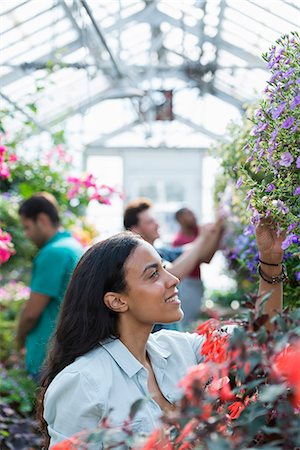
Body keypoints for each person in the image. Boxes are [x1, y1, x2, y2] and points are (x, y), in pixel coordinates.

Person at [39, 221, 285, 448]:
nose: (174, 279)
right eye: (153, 274)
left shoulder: (179, 349)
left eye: (164, 268)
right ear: (117, 301)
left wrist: (270, 260)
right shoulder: (83, 382)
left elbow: (257, 341)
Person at [123, 198, 224, 331]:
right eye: (150, 222)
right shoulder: (135, 260)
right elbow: (174, 272)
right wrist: (202, 237)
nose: (157, 224)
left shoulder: (162, 252)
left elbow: (199, 252)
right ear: (135, 230)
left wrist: (219, 226)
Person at [16, 194, 83, 380]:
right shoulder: (74, 246)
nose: (27, 234)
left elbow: (31, 313)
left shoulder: (53, 253)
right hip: (68, 352)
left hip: (47, 355)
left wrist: (19, 340)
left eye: (27, 227)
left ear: (42, 220)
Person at [172, 207, 209, 327]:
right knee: (188, 317)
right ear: (180, 219)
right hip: (187, 283)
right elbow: (205, 257)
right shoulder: (179, 241)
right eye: (189, 214)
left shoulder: (197, 233)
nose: (194, 216)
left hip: (197, 281)